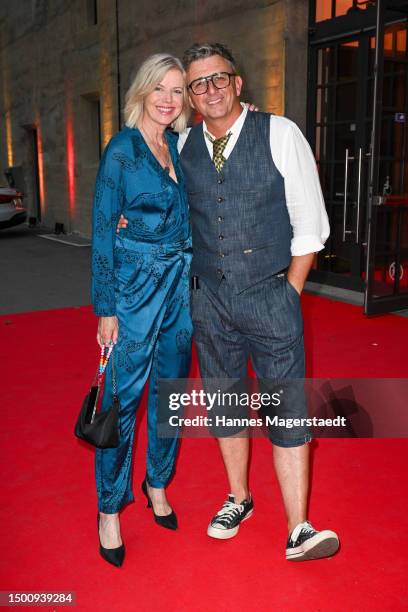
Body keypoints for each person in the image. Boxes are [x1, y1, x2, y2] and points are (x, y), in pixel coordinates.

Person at [118, 42, 339, 561]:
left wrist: (289, 292)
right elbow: (160, 200)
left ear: (238, 83)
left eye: (219, 78)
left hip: (271, 295)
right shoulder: (182, 145)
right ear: (191, 98)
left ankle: (299, 527)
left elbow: (311, 227)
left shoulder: (280, 134)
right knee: (225, 407)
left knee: (287, 412)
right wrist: (131, 220)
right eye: (198, 83)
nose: (210, 89)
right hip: (209, 302)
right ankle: (238, 498)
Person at [91, 53, 192, 567]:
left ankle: (157, 483)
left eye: (178, 91)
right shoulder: (122, 150)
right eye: (161, 88)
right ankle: (110, 509)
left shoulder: (176, 143)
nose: (168, 99)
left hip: (178, 289)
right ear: (143, 91)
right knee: (123, 400)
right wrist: (105, 307)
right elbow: (104, 231)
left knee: (170, 394)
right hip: (133, 290)